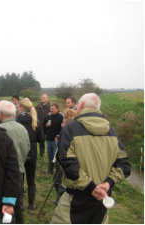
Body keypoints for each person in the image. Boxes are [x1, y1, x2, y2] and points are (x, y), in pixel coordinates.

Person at [51, 93, 131, 224]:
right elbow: (124, 165)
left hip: (76, 198)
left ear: (81, 105)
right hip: (102, 199)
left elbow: (67, 162)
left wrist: (91, 188)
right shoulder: (112, 131)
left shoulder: (70, 128)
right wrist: (107, 183)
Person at [0, 100, 30, 223]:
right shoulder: (22, 128)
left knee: (4, 203)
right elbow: (27, 148)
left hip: (3, 173)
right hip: (19, 170)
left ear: (0, 113)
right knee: (19, 202)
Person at [16, 98, 44, 210]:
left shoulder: (17, 121)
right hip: (32, 153)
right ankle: (31, 204)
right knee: (31, 179)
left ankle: (20, 204)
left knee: (20, 178)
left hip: (19, 152)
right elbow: (41, 139)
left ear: (22, 108)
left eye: (18, 107)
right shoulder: (35, 121)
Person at [51, 109, 77, 205]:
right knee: (56, 180)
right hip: (59, 157)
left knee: (62, 183)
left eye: (64, 118)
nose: (62, 119)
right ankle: (59, 199)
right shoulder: (65, 127)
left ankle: (61, 202)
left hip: (65, 159)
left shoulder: (71, 128)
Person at [43, 103, 63, 174]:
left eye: (52, 109)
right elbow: (43, 125)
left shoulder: (61, 117)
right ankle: (50, 170)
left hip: (56, 140)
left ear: (57, 109)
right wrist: (46, 126)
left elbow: (63, 129)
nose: (51, 110)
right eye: (50, 109)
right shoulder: (48, 116)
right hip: (49, 138)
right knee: (50, 154)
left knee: (56, 155)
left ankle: (57, 171)